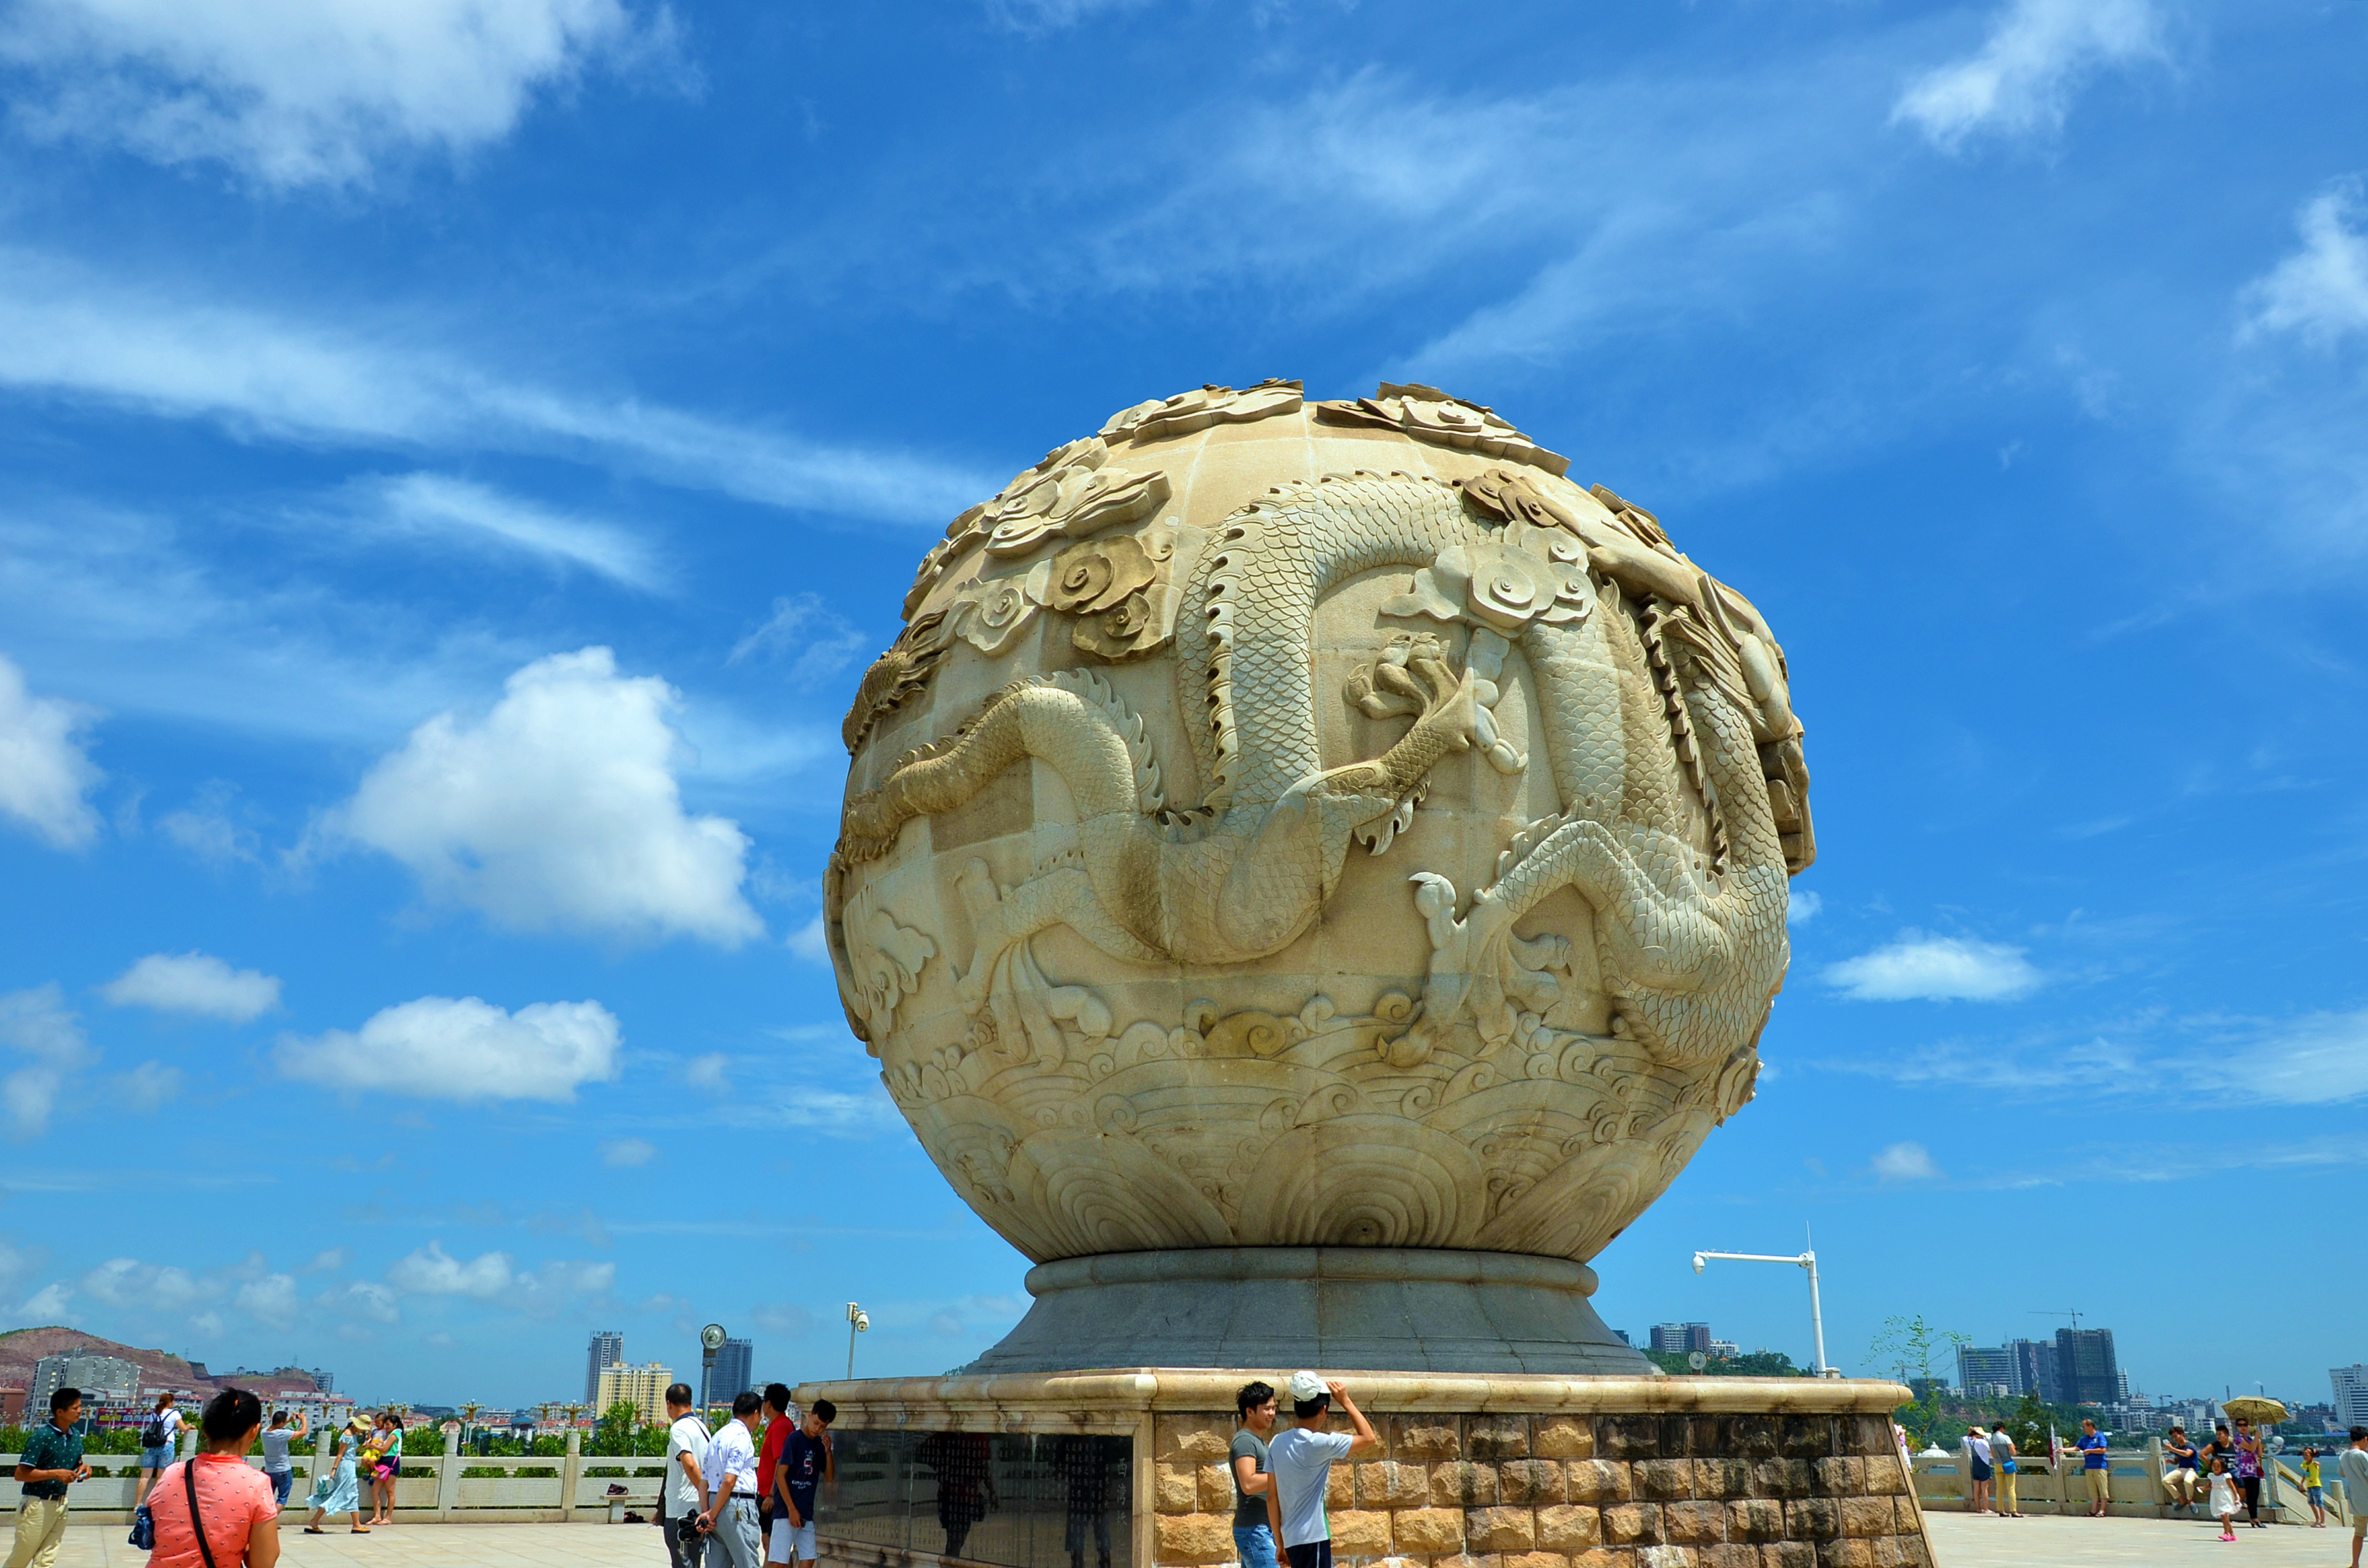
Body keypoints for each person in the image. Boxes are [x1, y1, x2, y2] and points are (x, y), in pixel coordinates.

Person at [147, 1388, 281, 1568]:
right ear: (254, 1431)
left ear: (206, 1431)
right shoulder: (256, 1483)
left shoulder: (171, 1473)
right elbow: (263, 1563)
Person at [1264, 1374, 1379, 1568]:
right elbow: (1369, 1437)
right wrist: (1346, 1401)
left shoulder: (1277, 1442)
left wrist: (1280, 1543)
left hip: (1291, 1539)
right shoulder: (1320, 1443)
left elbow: (1271, 1498)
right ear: (1323, 1410)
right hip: (1313, 1539)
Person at [7, 1385, 88, 1568]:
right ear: (60, 1412)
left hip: (61, 1504)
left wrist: (84, 1469)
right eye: (75, 1408)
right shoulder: (42, 1436)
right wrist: (55, 1474)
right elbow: (21, 1474)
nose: (80, 1411)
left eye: (80, 1406)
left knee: (47, 1560)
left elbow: (76, 1464)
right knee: (21, 1559)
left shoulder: (75, 1437)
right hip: (37, 1505)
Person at [765, 1398, 835, 1568]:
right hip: (786, 1510)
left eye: (822, 1426)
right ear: (810, 1416)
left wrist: (827, 1452)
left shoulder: (819, 1445)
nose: (817, 1429)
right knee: (779, 1561)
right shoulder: (794, 1440)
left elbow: (829, 1477)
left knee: (809, 1557)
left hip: (806, 1510)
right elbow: (780, 1476)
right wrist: (791, 1509)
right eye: (816, 1423)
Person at [701, 1390, 765, 1568]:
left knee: (716, 1564)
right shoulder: (742, 1437)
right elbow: (730, 1480)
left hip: (714, 1500)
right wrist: (712, 1514)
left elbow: (703, 1480)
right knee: (747, 1563)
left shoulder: (717, 1436)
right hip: (736, 1504)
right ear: (755, 1413)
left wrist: (708, 1515)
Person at [917, 1430, 996, 1558]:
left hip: (947, 1493)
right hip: (965, 1496)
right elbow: (983, 1465)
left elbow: (924, 1449)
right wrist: (992, 1491)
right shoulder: (977, 1435)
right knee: (957, 1541)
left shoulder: (949, 1433)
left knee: (953, 1540)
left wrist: (941, 1468)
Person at [1230, 1381, 1280, 1568]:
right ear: (1250, 1412)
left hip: (1260, 1528)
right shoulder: (1245, 1441)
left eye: (1273, 1408)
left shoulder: (1257, 1441)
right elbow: (1248, 1484)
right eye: (1267, 1409)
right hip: (1254, 1529)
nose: (1272, 1414)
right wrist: (1283, 1474)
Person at [663, 1383, 712, 1568]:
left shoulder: (679, 1429)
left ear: (669, 1404)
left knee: (683, 1562)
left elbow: (689, 1463)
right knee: (693, 1562)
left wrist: (703, 1491)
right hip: (699, 1508)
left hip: (682, 1510)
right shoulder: (702, 1427)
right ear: (691, 1402)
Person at [302, 1415, 372, 1534]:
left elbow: (350, 1452)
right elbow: (340, 1454)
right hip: (346, 1467)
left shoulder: (352, 1435)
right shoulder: (348, 1434)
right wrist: (334, 1469)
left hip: (349, 1465)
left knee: (344, 1494)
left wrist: (362, 1448)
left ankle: (315, 1521)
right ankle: (356, 1524)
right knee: (350, 1494)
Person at [755, 1384, 798, 1536]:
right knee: (768, 1541)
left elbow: (781, 1462)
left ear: (768, 1404)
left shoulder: (780, 1427)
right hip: (767, 1492)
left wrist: (772, 1494)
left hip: (771, 1495)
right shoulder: (779, 1425)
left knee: (773, 1543)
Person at [135, 1391, 186, 1509]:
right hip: (166, 1446)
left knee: (144, 1477)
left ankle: (137, 1504)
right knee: (160, 1478)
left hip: (151, 1446)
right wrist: (189, 1426)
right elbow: (183, 1428)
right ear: (170, 1402)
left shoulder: (154, 1414)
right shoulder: (174, 1413)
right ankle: (154, 1505)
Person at [259, 1410, 309, 1509]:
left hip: (269, 1470)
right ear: (281, 1423)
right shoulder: (282, 1434)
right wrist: (304, 1420)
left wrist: (289, 1421)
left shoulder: (264, 1432)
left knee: (267, 1497)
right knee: (282, 1499)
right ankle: (270, 1520)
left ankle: (263, 1520)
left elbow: (278, 1426)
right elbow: (303, 1432)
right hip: (283, 1470)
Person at [367, 1410, 404, 1525]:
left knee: (390, 1491)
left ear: (395, 1425)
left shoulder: (395, 1434)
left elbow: (384, 1449)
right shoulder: (390, 1435)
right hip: (384, 1461)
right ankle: (377, 1516)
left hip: (391, 1462)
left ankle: (388, 1517)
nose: (387, 1427)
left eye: (388, 1425)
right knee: (375, 1490)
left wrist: (373, 1446)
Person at [2339, 1426, 2368, 1568]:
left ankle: (2355, 1563)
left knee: (2359, 1534)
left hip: (2356, 1502)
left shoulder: (2343, 1456)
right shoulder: (2363, 1456)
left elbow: (2342, 1473)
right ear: (2365, 1439)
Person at [2231, 1416, 2265, 1528]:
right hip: (2245, 1469)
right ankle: (2254, 1518)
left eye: (2245, 1425)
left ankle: (2255, 1517)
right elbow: (2250, 1448)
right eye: (2240, 1425)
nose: (2243, 1427)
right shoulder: (2238, 1439)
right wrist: (2256, 1437)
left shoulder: (2250, 1439)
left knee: (2255, 1494)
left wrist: (2258, 1440)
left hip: (2254, 1469)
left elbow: (2259, 1453)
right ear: (2237, 1427)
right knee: (2250, 1494)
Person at [2162, 1425, 2202, 1513]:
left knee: (2188, 1481)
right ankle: (2181, 1500)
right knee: (2166, 1481)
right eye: (2173, 1437)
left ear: (2182, 1435)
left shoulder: (2190, 1445)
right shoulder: (2178, 1448)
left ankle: (2190, 1500)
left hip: (2192, 1470)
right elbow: (2177, 1461)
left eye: (2176, 1436)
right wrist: (2170, 1462)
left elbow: (2187, 1454)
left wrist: (2172, 1449)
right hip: (2181, 1469)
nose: (2175, 1439)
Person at [2075, 1417, 2110, 1517]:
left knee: (2103, 1489)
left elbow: (2103, 1450)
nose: (2084, 1429)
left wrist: (2090, 1451)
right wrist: (2063, 1449)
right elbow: (2077, 1448)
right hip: (2089, 1467)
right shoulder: (2084, 1439)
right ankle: (2094, 1510)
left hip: (2100, 1467)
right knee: (2092, 1490)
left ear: (2091, 1427)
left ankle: (2102, 1510)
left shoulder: (2100, 1437)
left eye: (2084, 1427)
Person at [1988, 1424, 2021, 1518]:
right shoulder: (2006, 1438)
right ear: (2002, 1428)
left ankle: (2001, 1510)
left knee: (2000, 1489)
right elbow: (2013, 1453)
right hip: (2008, 1463)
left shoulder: (1991, 1440)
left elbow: (1993, 1455)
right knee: (2011, 1488)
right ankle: (2013, 1511)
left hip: (1998, 1464)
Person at [1961, 1425, 1992, 1515]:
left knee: (1976, 1489)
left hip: (1975, 1466)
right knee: (1984, 1488)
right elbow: (1990, 1449)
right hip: (1984, 1465)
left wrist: (1970, 1432)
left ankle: (1978, 1508)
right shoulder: (1982, 1442)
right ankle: (1986, 1508)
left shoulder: (1969, 1442)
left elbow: (1964, 1437)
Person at [2208, 1454, 2239, 1542]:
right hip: (2216, 1497)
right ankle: (2232, 1535)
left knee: (2225, 1515)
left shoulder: (2226, 1476)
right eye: (2214, 1466)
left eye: (2218, 1466)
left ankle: (2226, 1533)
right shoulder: (2211, 1476)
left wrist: (2236, 1496)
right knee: (2224, 1516)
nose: (2216, 1468)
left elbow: (2232, 1487)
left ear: (2222, 1467)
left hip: (2225, 1496)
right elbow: (2211, 1485)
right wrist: (2203, 1488)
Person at [2302, 1446, 2328, 1528]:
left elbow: (2318, 1464)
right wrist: (2302, 1483)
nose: (2305, 1457)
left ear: (2312, 1456)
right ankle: (2317, 1520)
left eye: (2307, 1455)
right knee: (2311, 1503)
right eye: (2304, 1455)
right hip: (2309, 1485)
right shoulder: (2305, 1465)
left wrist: (2317, 1463)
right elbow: (2306, 1474)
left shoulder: (2314, 1463)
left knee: (2320, 1503)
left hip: (2316, 1485)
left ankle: (2323, 1522)